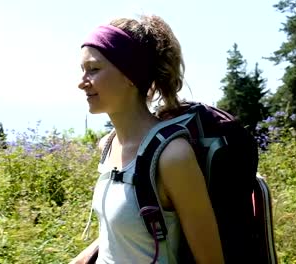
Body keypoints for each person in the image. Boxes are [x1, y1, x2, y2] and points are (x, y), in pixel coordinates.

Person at [71, 15, 224, 264]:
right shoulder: (108, 146)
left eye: (94, 69)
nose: (81, 83)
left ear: (130, 74)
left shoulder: (172, 157)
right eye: (82, 70)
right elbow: (132, 233)